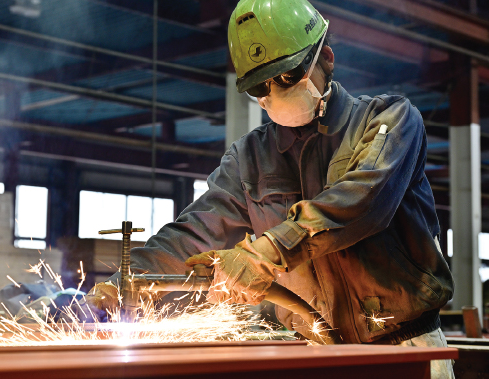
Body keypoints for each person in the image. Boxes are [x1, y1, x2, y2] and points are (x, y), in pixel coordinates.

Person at [85, 0, 454, 377]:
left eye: (287, 77)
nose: (274, 94)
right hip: (314, 351)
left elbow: (362, 202)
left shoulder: (389, 120)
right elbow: (193, 236)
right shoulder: (250, 158)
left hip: (405, 348)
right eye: (260, 86)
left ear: (325, 58)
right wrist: (121, 286)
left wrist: (268, 251)